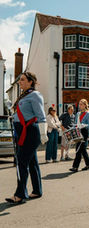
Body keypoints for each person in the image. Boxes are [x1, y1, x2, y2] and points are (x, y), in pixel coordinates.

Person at [5, 72, 48, 204]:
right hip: (22, 131)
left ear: (30, 81)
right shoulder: (24, 96)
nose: (20, 82)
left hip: (30, 132)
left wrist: (43, 134)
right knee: (32, 162)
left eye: (22, 80)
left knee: (21, 163)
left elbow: (41, 116)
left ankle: (20, 194)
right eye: (19, 80)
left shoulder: (35, 95)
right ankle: (37, 191)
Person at [69, 99, 89, 172]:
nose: (80, 105)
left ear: (85, 105)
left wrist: (84, 125)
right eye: (79, 104)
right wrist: (72, 128)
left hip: (84, 132)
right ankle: (88, 165)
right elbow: (75, 123)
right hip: (78, 132)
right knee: (82, 150)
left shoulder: (88, 114)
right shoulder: (78, 114)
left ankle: (75, 167)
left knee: (79, 149)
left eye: (81, 104)